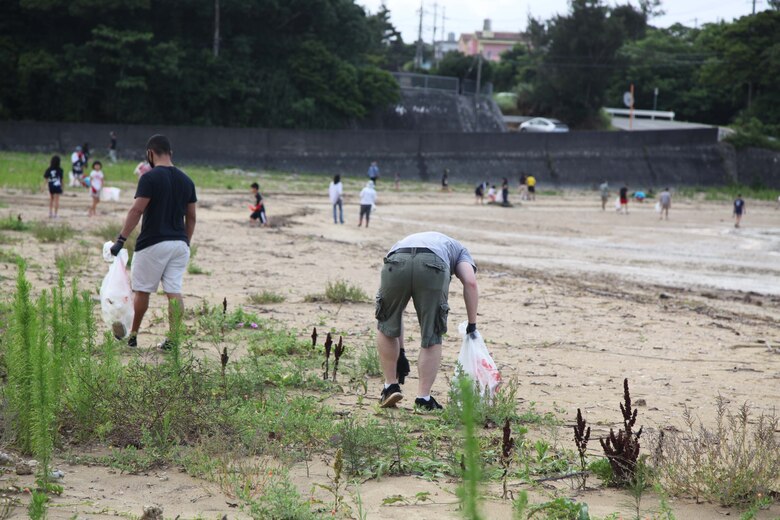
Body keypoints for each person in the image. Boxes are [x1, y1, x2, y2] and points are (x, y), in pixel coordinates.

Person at [109, 134, 197, 349]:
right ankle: (174, 339)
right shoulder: (187, 180)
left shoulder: (149, 178)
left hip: (153, 243)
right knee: (173, 292)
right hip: (179, 244)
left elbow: (137, 209)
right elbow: (192, 216)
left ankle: (133, 335)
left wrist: (120, 239)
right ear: (170, 153)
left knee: (142, 291)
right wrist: (185, 241)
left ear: (150, 153)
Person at [374, 231, 478, 410]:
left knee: (387, 321)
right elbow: (470, 282)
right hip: (433, 265)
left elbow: (396, 319)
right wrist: (472, 324)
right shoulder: (461, 251)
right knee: (431, 332)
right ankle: (423, 399)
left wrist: (402, 351)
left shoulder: (404, 239)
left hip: (398, 258)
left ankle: (390, 386)